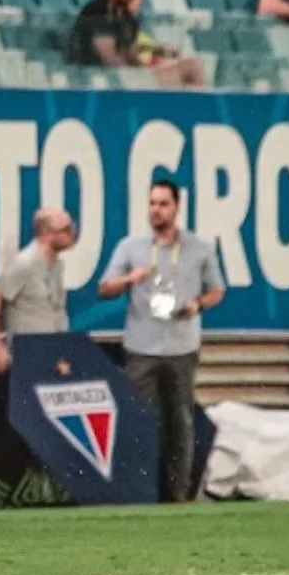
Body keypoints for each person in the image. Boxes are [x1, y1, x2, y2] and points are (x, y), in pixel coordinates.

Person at [96, 179, 226, 505]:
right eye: (152, 203)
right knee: (139, 419)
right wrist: (130, 279)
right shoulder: (132, 246)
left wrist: (198, 304)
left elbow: (217, 289)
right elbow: (104, 287)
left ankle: (178, 491)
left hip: (182, 347)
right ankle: (139, 491)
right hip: (142, 347)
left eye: (163, 204)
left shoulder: (200, 248)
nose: (156, 210)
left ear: (177, 207)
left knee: (180, 422)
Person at [0, 208, 76, 374]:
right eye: (66, 229)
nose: (73, 234)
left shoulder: (57, 265)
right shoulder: (25, 263)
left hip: (54, 355)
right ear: (46, 233)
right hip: (28, 355)